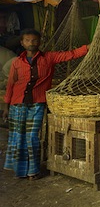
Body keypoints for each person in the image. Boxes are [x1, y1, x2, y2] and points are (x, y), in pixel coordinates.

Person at [3, 29, 89, 180]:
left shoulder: (49, 58)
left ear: (40, 42)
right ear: (22, 43)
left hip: (37, 104)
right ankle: (21, 171)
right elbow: (11, 85)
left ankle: (33, 171)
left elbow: (71, 54)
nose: (31, 43)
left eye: (34, 40)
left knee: (32, 138)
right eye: (28, 40)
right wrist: (6, 106)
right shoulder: (16, 63)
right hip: (17, 105)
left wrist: (88, 47)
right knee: (18, 138)